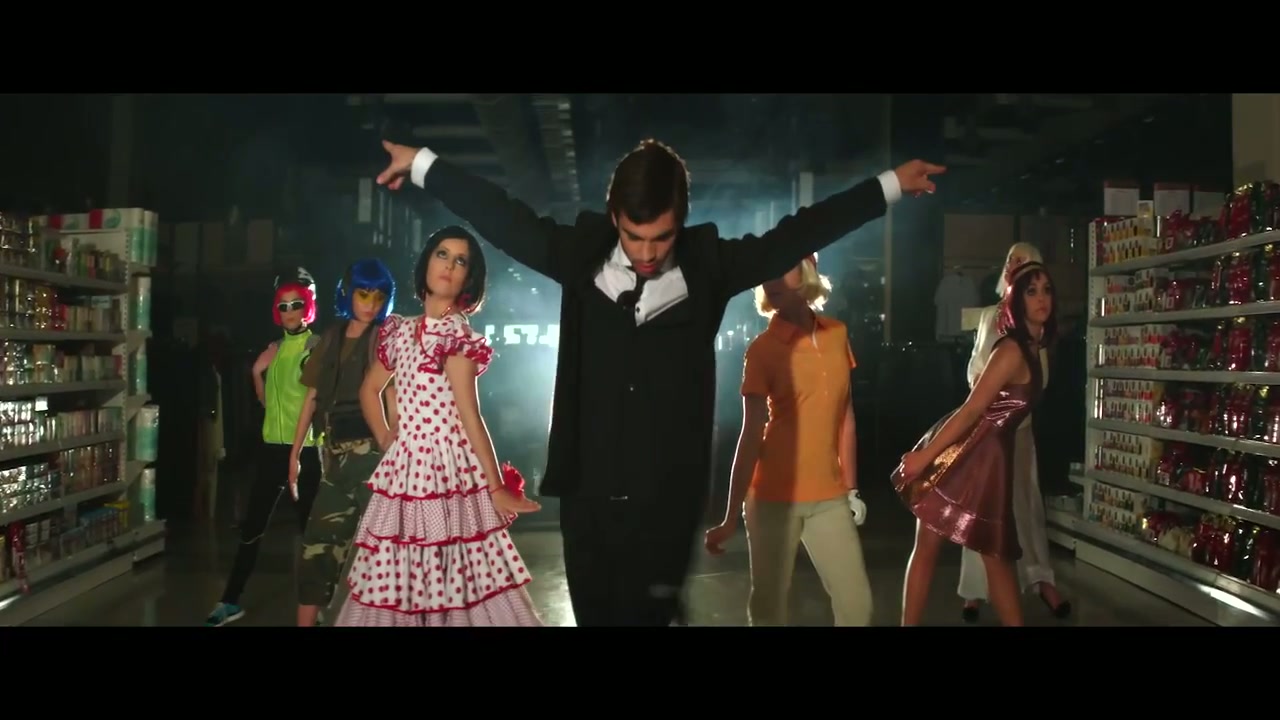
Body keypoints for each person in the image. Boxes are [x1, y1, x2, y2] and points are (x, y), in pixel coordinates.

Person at [374, 136, 944, 626]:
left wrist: (890, 185)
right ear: (614, 215)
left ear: (682, 220)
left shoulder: (710, 264)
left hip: (667, 495)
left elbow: (801, 232)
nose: (647, 253)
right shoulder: (578, 253)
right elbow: (501, 216)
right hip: (588, 491)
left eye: (662, 238)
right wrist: (423, 164)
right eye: (634, 236)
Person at [334, 226, 543, 627]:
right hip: (405, 472)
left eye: (460, 261)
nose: (449, 266)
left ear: (468, 278)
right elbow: (369, 390)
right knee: (397, 577)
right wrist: (388, 439)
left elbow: (470, 416)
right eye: (442, 255)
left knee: (453, 582)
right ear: (427, 262)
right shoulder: (401, 329)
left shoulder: (455, 335)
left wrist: (496, 487)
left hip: (447, 473)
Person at [704, 255, 872, 626]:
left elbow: (845, 415)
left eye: (784, 266)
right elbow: (751, 434)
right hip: (772, 499)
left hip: (829, 497)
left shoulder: (837, 334)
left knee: (857, 607)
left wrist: (851, 488)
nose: (773, 278)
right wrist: (730, 516)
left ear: (808, 271)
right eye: (767, 270)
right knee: (769, 609)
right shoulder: (763, 349)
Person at [893, 260, 1057, 627]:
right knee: (930, 546)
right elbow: (970, 410)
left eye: (1047, 290)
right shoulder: (1011, 350)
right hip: (967, 450)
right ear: (1016, 300)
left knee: (995, 557)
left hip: (992, 456)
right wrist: (925, 456)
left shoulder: (1033, 348)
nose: (1041, 298)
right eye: (1031, 291)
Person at [957, 243, 1071, 623]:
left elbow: (1039, 378)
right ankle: (974, 590)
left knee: (1026, 507)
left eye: (1024, 261)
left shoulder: (1036, 326)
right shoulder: (992, 317)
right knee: (980, 512)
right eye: (1011, 260)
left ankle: (1040, 579)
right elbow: (976, 373)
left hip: (1019, 432)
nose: (1015, 266)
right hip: (988, 430)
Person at [205, 267, 323, 627]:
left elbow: (315, 404)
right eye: (283, 306)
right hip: (272, 449)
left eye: (296, 304)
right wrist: (257, 373)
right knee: (252, 528)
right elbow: (268, 404)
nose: (290, 312)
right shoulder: (275, 349)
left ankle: (316, 608)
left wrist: (297, 454)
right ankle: (229, 601)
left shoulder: (316, 347)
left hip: (305, 451)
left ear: (309, 306)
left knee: (312, 536)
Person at [291, 258, 399, 627]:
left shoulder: (382, 339)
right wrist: (295, 454)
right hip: (334, 458)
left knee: (386, 552)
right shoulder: (332, 338)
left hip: (372, 456)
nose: (370, 303)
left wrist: (393, 443)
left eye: (378, 296)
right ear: (348, 293)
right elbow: (312, 397)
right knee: (317, 548)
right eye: (363, 294)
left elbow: (390, 394)